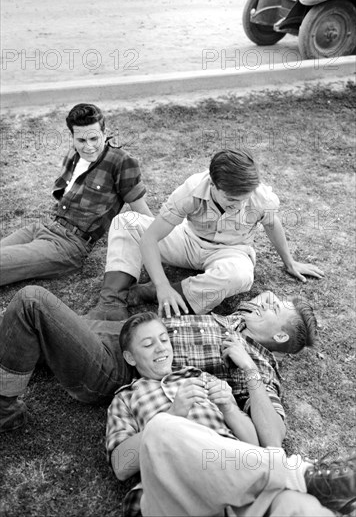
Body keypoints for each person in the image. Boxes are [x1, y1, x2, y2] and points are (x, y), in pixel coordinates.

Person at [106, 312, 355, 517]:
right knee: (161, 428)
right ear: (129, 357)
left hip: (233, 486)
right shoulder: (125, 398)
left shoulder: (200, 377)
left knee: (299, 506)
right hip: (176, 494)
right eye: (148, 344)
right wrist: (175, 413)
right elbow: (120, 466)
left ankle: (313, 485)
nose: (161, 348)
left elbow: (256, 445)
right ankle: (304, 475)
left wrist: (229, 408)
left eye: (163, 339)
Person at [0, 287, 313, 434]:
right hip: (121, 334)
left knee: (32, 303)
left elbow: (273, 436)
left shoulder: (259, 364)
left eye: (274, 311)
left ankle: (4, 410)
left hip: (117, 367)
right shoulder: (237, 321)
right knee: (16, 330)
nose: (264, 306)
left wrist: (247, 367)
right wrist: (273, 306)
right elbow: (265, 295)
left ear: (281, 338)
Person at [89, 149, 324, 321]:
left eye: (243, 199)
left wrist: (289, 262)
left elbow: (272, 224)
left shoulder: (261, 196)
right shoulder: (191, 190)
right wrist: (163, 285)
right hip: (188, 241)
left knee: (241, 276)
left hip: (231, 252)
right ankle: (112, 301)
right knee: (125, 221)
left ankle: (149, 291)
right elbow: (150, 238)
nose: (238, 205)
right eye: (231, 199)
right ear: (212, 184)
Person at [0, 103, 152, 290]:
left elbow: (143, 215)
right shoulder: (73, 154)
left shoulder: (121, 161)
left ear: (104, 133)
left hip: (69, 245)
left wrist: (167, 242)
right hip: (43, 226)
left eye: (94, 138)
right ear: (72, 137)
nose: (88, 147)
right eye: (81, 140)